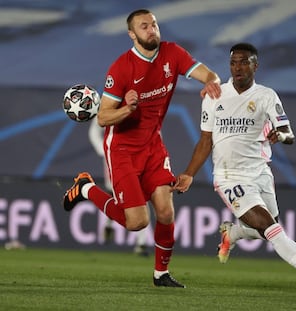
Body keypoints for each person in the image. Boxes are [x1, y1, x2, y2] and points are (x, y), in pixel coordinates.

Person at [63, 8, 221, 288]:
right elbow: (103, 117)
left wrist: (212, 84)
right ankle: (86, 187)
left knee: (166, 212)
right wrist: (127, 108)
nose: (152, 30)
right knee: (136, 223)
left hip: (153, 146)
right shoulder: (121, 67)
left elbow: (209, 74)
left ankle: (161, 274)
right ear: (132, 34)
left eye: (154, 24)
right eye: (144, 26)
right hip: (122, 149)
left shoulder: (173, 54)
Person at [173, 43, 296, 296]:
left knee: (270, 228)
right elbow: (205, 140)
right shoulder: (214, 95)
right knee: (272, 230)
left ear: (255, 65)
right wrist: (189, 174)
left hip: (260, 173)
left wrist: (280, 137)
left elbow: (288, 132)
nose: (237, 67)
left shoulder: (266, 96)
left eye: (243, 62)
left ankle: (235, 231)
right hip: (229, 177)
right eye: (233, 62)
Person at [88, 118, 149, 256]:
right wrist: (103, 150)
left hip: (139, 157)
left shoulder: (144, 105)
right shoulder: (110, 104)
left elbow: (154, 132)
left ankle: (141, 243)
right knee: (117, 197)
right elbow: (93, 131)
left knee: (140, 197)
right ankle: (109, 225)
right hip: (116, 157)